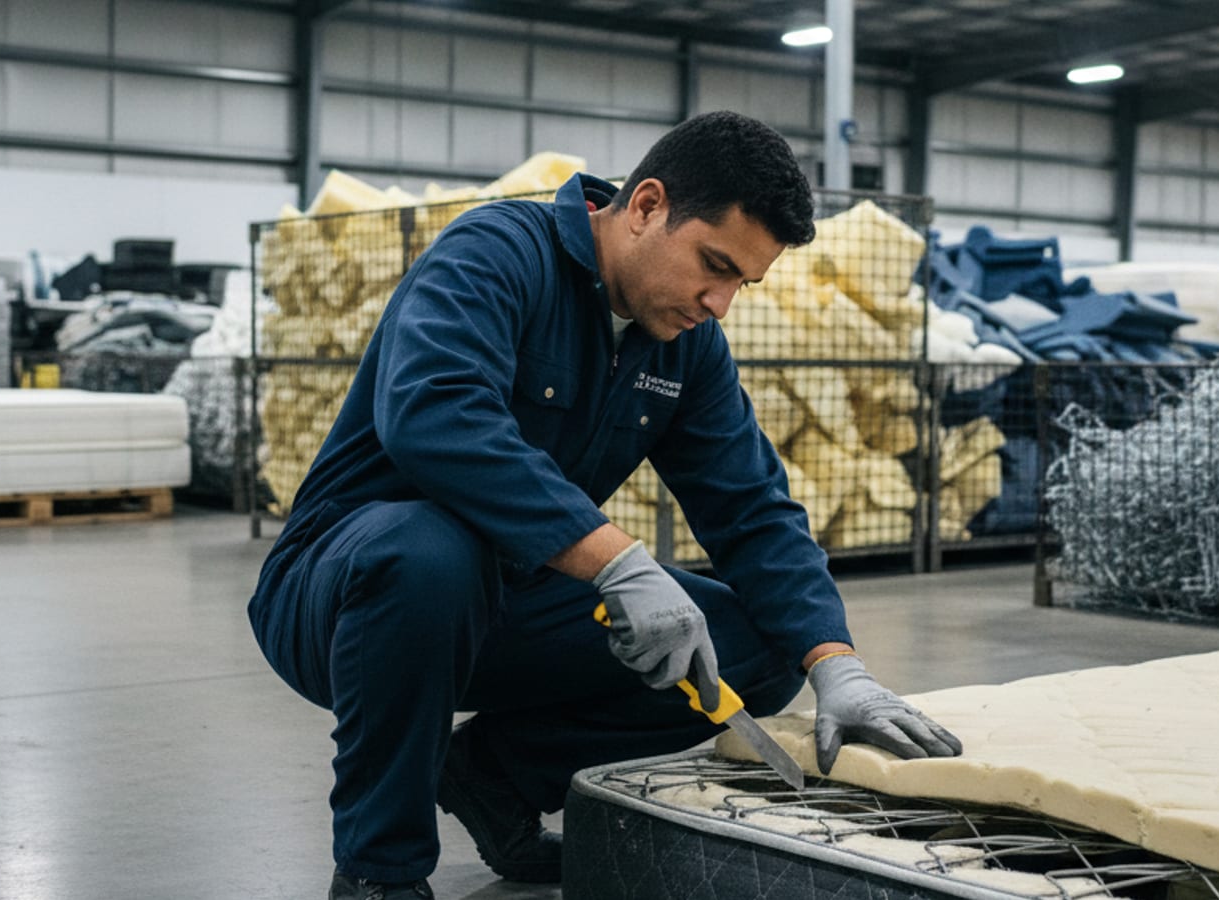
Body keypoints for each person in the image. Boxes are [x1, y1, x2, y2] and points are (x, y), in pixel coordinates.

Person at [248, 110, 963, 900]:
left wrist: (836, 664)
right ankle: (380, 871)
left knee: (752, 646)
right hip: (347, 592)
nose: (720, 302)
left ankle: (494, 777)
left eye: (741, 284)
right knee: (429, 550)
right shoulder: (495, 256)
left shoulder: (684, 344)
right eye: (714, 265)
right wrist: (615, 559)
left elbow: (751, 507)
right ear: (648, 205)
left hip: (509, 600)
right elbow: (435, 416)